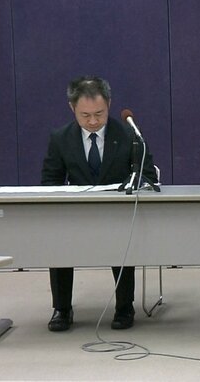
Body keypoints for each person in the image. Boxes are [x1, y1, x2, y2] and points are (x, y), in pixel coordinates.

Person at [41, 76, 158, 332]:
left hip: (118, 213)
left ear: (109, 105)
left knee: (123, 240)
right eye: (85, 115)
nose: (93, 121)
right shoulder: (60, 138)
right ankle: (62, 308)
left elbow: (147, 175)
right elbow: (49, 181)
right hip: (75, 214)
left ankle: (125, 307)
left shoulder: (129, 135)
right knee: (58, 239)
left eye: (99, 114)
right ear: (72, 108)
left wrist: (131, 187)